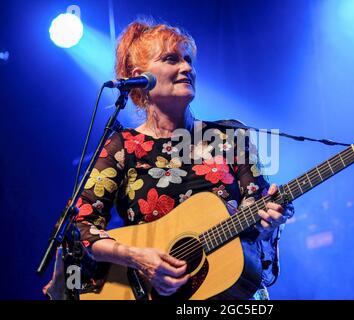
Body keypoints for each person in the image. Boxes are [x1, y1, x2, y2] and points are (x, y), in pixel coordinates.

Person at [44, 20, 294, 300]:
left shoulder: (231, 136)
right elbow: (77, 226)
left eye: (188, 60)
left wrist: (270, 223)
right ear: (140, 77)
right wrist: (137, 258)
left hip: (232, 294)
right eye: (171, 59)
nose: (187, 68)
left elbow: (257, 220)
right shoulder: (123, 146)